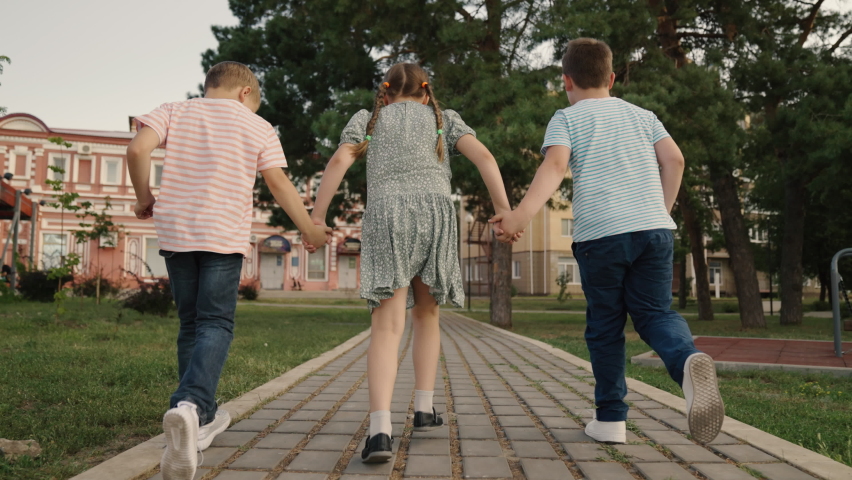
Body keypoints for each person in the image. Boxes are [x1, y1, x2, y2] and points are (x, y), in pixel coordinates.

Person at [492, 38, 724, 445]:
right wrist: (661, 210)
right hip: (653, 229)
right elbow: (675, 160)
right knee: (655, 315)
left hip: (601, 235)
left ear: (566, 81)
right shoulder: (643, 116)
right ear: (612, 78)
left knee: (605, 325)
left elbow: (556, 164)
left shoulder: (567, 118)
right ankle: (687, 360)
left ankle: (611, 419)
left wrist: (520, 215)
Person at [126, 61, 331, 480]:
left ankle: (196, 415)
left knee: (191, 323)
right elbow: (277, 182)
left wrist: (144, 197)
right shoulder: (258, 126)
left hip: (176, 232)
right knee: (216, 322)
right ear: (245, 93)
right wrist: (309, 228)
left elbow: (136, 149)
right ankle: (191, 406)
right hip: (222, 234)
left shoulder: (174, 110)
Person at [311, 63, 516, 462]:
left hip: (388, 216)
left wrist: (317, 218)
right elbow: (486, 158)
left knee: (387, 327)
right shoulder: (446, 120)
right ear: (426, 93)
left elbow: (338, 163)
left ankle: (380, 431)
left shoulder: (368, 120)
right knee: (427, 315)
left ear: (384, 94)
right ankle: (424, 408)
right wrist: (503, 210)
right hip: (436, 217)